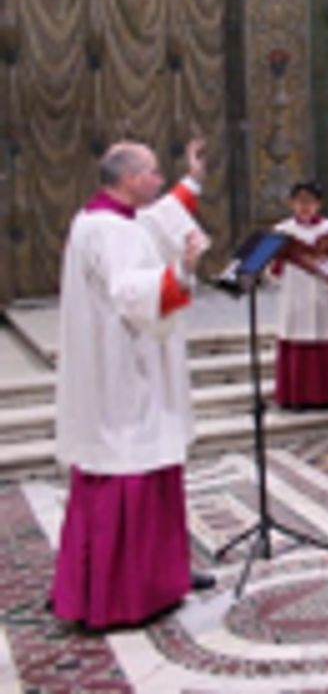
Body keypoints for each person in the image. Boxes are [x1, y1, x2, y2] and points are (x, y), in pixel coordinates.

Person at [52, 139, 214, 629]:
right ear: (127, 179)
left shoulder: (105, 217)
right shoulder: (111, 230)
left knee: (137, 461)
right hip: (125, 373)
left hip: (120, 366)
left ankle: (159, 575)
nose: (160, 180)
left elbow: (161, 216)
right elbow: (132, 293)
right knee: (132, 463)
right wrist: (183, 270)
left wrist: (194, 180)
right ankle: (128, 592)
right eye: (152, 172)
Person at [271, 180, 328, 409]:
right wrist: (278, 264)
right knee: (296, 339)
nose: (305, 207)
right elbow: (272, 269)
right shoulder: (283, 231)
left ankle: (326, 396)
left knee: (323, 339)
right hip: (294, 292)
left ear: (319, 204)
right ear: (292, 204)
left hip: (321, 294)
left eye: (310, 202)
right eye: (299, 202)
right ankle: (295, 397)